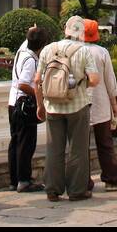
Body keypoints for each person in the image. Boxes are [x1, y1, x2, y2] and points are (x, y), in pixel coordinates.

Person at [34, 16, 100, 202]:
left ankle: (52, 190)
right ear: (81, 33)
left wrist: (40, 105)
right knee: (77, 149)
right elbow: (94, 80)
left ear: (65, 29)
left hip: (53, 105)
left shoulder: (48, 49)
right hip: (77, 105)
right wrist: (79, 82)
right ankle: (77, 191)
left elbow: (37, 80)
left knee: (54, 149)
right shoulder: (84, 51)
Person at [84, 20, 117, 191]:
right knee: (105, 144)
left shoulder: (74, 51)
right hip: (101, 103)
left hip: (80, 104)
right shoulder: (102, 52)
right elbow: (110, 80)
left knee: (80, 146)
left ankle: (82, 182)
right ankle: (111, 180)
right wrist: (114, 104)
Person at [8, 26, 45, 193]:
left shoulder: (21, 51)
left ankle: (14, 180)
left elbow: (29, 38)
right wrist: (39, 93)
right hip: (23, 105)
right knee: (26, 144)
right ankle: (23, 180)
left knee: (16, 142)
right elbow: (23, 84)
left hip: (13, 103)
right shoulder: (30, 59)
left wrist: (32, 29)